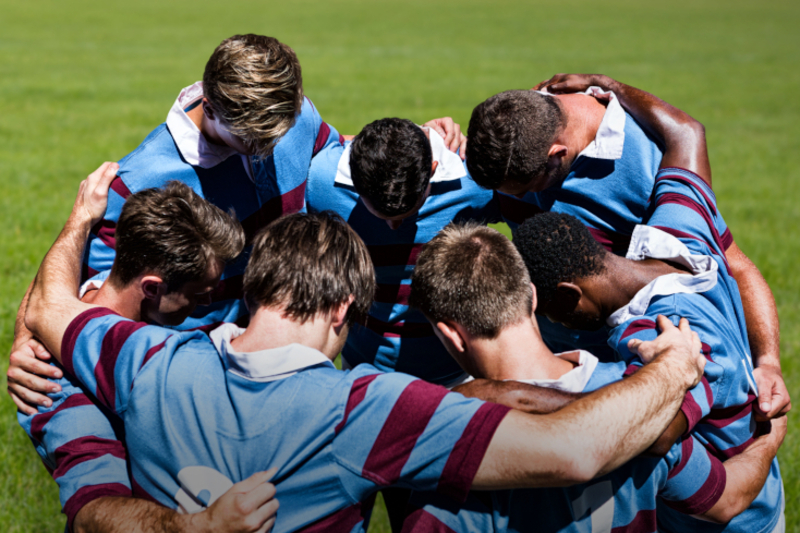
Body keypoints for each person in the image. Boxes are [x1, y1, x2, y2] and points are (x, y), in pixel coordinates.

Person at [23, 163, 706, 532]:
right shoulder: (366, 407)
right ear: (345, 308)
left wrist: (81, 220)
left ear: (256, 285)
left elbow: (50, 308)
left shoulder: (140, 356)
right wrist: (675, 368)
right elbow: (571, 450)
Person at [403, 222, 786, 531]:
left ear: (449, 333)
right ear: (533, 297)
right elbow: (725, 501)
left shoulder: (448, 440)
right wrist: (769, 440)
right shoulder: (648, 405)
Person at [466, 74, 789, 420]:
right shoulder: (514, 131)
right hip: (550, 373)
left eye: (518, 191)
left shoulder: (647, 162)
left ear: (555, 156)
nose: (508, 201)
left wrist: (768, 363)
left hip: (641, 377)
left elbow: (733, 264)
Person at [512, 176, 785, 530]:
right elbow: (687, 142)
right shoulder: (681, 233)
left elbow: (654, 432)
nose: (560, 326)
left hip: (726, 518)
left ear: (568, 295)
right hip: (765, 494)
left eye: (550, 313)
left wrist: (520, 396)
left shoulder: (660, 332)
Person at [18, 169, 280, 532]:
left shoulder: (136, 313)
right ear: (153, 288)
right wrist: (201, 527)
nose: (208, 303)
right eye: (200, 294)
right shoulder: (55, 380)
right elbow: (93, 513)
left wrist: (80, 219)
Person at [306, 117, 500, 386]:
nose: (394, 226)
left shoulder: (474, 182)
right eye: (380, 213)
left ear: (432, 169)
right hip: (362, 371)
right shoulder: (322, 181)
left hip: (455, 373)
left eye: (408, 212)